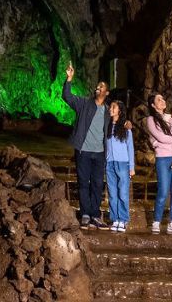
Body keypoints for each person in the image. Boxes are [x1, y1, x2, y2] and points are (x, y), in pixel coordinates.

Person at [62, 61, 109, 228]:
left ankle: (96, 215)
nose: (98, 88)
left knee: (97, 184)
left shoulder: (109, 111)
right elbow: (67, 97)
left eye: (101, 86)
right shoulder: (83, 104)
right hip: (84, 151)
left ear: (106, 92)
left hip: (100, 152)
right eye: (97, 86)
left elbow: (119, 121)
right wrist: (69, 79)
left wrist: (127, 124)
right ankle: (85, 214)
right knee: (83, 183)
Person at [145, 91, 172, 235]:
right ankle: (156, 221)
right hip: (163, 158)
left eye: (163, 98)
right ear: (153, 105)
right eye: (159, 99)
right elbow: (161, 137)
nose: (163, 101)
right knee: (163, 190)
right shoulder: (151, 119)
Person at [105, 100, 135, 232]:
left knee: (122, 193)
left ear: (119, 111)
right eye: (110, 106)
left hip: (123, 163)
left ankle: (123, 219)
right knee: (112, 193)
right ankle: (115, 219)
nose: (110, 108)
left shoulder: (125, 128)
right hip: (109, 163)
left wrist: (132, 167)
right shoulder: (107, 126)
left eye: (113, 107)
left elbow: (130, 148)